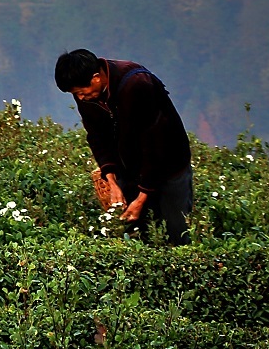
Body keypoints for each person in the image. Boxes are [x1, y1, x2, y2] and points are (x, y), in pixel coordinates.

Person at [54, 48, 194, 244]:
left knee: (176, 231)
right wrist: (112, 181)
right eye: (74, 94)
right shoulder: (88, 96)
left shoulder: (136, 84)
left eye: (79, 92)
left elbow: (155, 145)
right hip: (131, 169)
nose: (80, 98)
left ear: (95, 78)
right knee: (138, 235)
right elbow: (97, 137)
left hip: (169, 166)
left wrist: (142, 197)